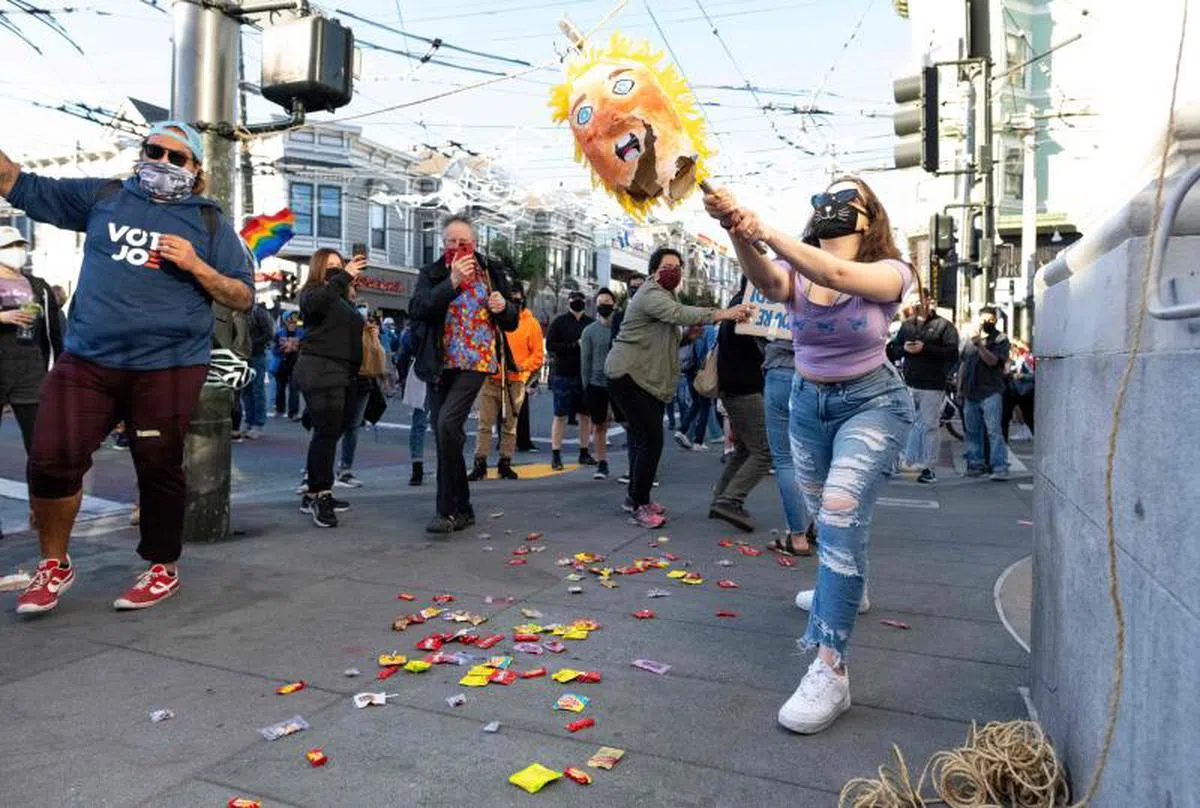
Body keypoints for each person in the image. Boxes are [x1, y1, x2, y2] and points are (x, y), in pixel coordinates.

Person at [2, 121, 253, 615]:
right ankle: (54, 565)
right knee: (50, 460)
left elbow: (242, 295)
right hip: (89, 359)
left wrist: (197, 267)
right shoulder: (106, 197)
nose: (161, 162)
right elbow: (14, 180)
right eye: (153, 151)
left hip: (168, 365)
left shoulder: (209, 224)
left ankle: (162, 566)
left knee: (158, 466)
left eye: (175, 157)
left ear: (195, 170)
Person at [704, 175, 915, 734]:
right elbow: (769, 283)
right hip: (807, 402)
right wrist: (737, 231)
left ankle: (830, 669)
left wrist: (762, 227)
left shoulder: (892, 270)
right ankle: (851, 587)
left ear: (870, 218)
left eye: (848, 199)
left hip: (873, 404)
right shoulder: (798, 268)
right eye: (825, 197)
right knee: (828, 521)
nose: (833, 207)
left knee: (842, 511)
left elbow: (839, 274)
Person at [605, 247, 752, 528]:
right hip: (628, 375)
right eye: (668, 266)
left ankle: (637, 498)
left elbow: (663, 336)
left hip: (643, 377)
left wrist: (686, 338)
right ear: (653, 270)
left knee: (643, 439)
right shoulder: (650, 294)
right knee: (651, 440)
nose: (674, 271)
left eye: (678, 266)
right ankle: (639, 504)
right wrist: (724, 313)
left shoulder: (664, 295)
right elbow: (678, 313)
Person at [409, 215, 518, 533]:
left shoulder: (490, 271)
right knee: (447, 435)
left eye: (463, 242)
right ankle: (464, 507)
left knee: (446, 424)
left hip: (476, 361)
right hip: (439, 363)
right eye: (450, 242)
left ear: (475, 243)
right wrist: (451, 282)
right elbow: (418, 308)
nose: (456, 247)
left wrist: (504, 307)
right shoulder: (432, 273)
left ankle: (445, 512)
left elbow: (511, 320)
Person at [295, 248, 365, 527]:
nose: (338, 270)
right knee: (326, 432)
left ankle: (314, 490)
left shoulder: (341, 297)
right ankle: (321, 494)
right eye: (331, 266)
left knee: (332, 431)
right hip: (320, 369)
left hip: (343, 371)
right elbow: (316, 306)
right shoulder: (313, 292)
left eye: (341, 264)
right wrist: (343, 277)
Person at [708, 276, 773, 531]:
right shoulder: (749, 309)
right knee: (764, 451)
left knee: (745, 449)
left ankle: (721, 498)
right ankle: (730, 500)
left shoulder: (738, 304)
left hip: (734, 386)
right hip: (743, 388)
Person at [468, 280, 544, 481]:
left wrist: (523, 366)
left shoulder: (531, 323)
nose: (515, 301)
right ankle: (480, 463)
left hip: (515, 381)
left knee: (510, 426)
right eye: (511, 297)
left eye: (518, 297)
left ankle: (505, 463)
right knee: (484, 424)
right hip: (492, 379)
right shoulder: (493, 319)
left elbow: (538, 354)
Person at [0, 226, 63, 456]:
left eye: (20, 245)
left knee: (40, 447)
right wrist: (2, 317)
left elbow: (54, 332)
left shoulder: (38, 286)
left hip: (31, 369)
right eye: (8, 246)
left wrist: (57, 370)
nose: (16, 250)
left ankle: (40, 492)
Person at [886, 292, 959, 484]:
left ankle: (929, 468)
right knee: (903, 423)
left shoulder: (944, 325)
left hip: (933, 385)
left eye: (922, 300)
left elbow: (952, 353)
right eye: (915, 300)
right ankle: (903, 462)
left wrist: (924, 348)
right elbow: (893, 349)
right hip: (909, 382)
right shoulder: (907, 325)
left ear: (930, 301)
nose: (918, 303)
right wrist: (905, 349)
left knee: (929, 426)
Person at [761, 338, 814, 556]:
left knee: (784, 459)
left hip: (781, 370)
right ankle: (821, 527)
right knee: (821, 457)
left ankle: (797, 536)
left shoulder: (779, 304)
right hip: (820, 372)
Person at [335, 313, 389, 488]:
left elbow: (380, 360)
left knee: (353, 426)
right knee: (335, 427)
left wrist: (373, 335)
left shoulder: (371, 333)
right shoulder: (342, 327)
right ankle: (315, 469)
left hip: (364, 382)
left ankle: (345, 469)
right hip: (343, 380)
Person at [546, 290, 596, 470]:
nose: (577, 303)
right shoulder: (559, 322)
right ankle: (556, 454)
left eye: (581, 300)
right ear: (568, 302)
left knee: (585, 415)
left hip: (584, 375)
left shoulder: (591, 324)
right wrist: (573, 345)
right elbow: (550, 345)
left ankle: (584, 452)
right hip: (563, 374)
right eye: (574, 300)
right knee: (560, 415)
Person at [960, 307, 1011, 480]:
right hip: (971, 391)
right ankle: (975, 464)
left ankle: (999, 466)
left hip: (990, 391)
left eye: (990, 320)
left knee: (993, 430)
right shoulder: (969, 340)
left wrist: (980, 345)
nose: (985, 323)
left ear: (996, 321)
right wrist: (960, 388)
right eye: (983, 320)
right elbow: (963, 364)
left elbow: (992, 361)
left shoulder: (1000, 339)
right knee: (972, 431)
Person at [580, 287, 617, 481]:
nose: (604, 306)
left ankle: (634, 466)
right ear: (595, 306)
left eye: (608, 302)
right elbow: (585, 362)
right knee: (599, 425)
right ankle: (602, 463)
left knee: (628, 424)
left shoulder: (622, 328)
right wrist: (587, 387)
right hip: (597, 384)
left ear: (615, 304)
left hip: (620, 383)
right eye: (601, 303)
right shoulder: (589, 331)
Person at [674, 323, 717, 450]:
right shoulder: (708, 329)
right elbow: (711, 350)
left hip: (689, 369)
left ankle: (682, 430)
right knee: (705, 405)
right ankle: (698, 441)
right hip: (701, 371)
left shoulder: (691, 328)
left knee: (696, 403)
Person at [239, 301, 273, 439]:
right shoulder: (241, 312)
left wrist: (250, 344)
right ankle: (249, 421)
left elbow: (268, 334)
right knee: (246, 390)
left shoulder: (257, 312)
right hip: (245, 355)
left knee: (256, 390)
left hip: (255, 354)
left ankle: (257, 423)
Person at [1002, 338, 1035, 441]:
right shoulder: (1011, 359)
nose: (1012, 350)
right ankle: (1004, 441)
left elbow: (1034, 375)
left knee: (1028, 416)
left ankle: (1033, 434)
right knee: (1005, 416)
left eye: (1013, 348)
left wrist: (1021, 376)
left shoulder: (1026, 359)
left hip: (1024, 392)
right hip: (1013, 391)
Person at [271, 312, 302, 419]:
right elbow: (274, 350)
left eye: (295, 321)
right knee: (280, 388)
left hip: (296, 364)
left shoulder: (302, 333)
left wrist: (292, 346)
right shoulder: (279, 333)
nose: (293, 323)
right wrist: (284, 348)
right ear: (285, 321)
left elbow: (305, 347)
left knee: (294, 389)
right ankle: (280, 410)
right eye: (290, 321)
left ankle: (293, 413)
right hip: (282, 363)